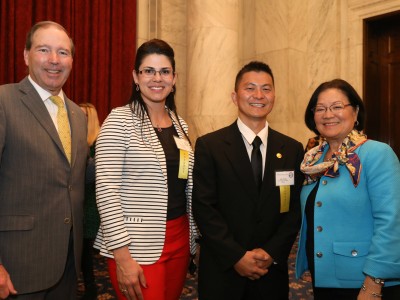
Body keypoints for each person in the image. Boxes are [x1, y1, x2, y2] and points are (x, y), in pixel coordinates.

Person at [94, 39, 198, 300]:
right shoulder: (119, 120)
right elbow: (106, 192)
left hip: (179, 238)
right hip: (135, 244)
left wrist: (195, 238)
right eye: (148, 71)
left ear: (174, 78)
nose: (157, 78)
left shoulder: (180, 124)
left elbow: (185, 183)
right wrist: (122, 255)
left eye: (164, 71)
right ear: (135, 77)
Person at [192, 61, 304, 300]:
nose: (259, 95)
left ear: (274, 95)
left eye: (266, 88)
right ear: (235, 96)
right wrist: (236, 256)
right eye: (250, 88)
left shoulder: (292, 149)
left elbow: (295, 209)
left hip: (270, 270)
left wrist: (271, 252)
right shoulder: (209, 146)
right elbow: (203, 207)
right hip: (223, 271)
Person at [0, 21, 88, 299]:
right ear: (26, 55)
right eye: (44, 50)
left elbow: (73, 177)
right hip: (16, 268)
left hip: (67, 266)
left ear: (72, 60)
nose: (54, 60)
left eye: (63, 52)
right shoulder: (4, 100)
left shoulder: (77, 115)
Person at [295, 78, 400, 300]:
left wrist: (373, 284)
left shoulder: (376, 154)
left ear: (356, 112)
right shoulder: (313, 161)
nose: (327, 114)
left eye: (337, 107)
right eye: (320, 108)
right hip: (324, 277)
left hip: (365, 283)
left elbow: (391, 223)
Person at [79, 103, 101, 299]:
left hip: (90, 202)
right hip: (77, 201)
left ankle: (91, 287)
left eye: (83, 115)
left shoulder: (98, 143)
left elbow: (93, 177)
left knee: (85, 248)